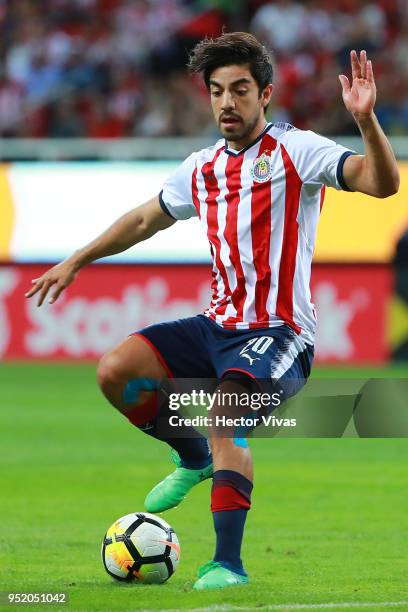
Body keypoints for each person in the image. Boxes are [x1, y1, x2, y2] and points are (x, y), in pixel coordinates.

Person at [26, 32, 399, 590]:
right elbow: (142, 220)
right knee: (116, 371)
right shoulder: (201, 168)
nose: (227, 101)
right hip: (216, 324)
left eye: (240, 90)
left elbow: (382, 184)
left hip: (279, 332)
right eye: (218, 90)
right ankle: (195, 457)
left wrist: (365, 121)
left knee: (227, 415)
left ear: (265, 94)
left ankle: (228, 563)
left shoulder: (297, 151)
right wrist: (77, 259)